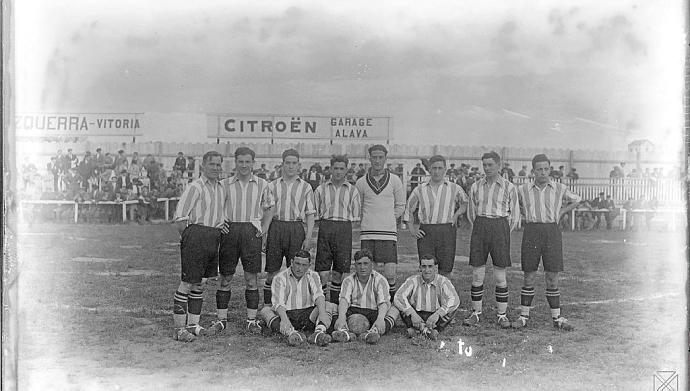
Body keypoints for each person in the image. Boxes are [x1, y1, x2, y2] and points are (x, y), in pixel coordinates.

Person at [208, 147, 275, 335]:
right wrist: (220, 222)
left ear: (253, 163)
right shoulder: (224, 184)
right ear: (235, 162)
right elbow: (214, 206)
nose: (244, 165)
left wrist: (264, 229)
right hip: (230, 231)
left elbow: (269, 209)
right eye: (240, 161)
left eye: (248, 162)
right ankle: (221, 319)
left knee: (251, 279)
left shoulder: (263, 184)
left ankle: (251, 321)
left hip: (251, 231)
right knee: (225, 277)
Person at [513, 154, 581, 331]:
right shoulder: (523, 189)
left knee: (552, 276)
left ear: (549, 169)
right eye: (539, 169)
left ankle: (557, 318)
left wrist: (561, 213)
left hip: (552, 231)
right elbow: (512, 204)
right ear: (533, 171)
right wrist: (523, 213)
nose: (543, 172)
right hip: (532, 231)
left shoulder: (560, 187)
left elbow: (577, 200)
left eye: (546, 169)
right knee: (529, 275)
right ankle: (524, 316)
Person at [170, 151, 225, 342]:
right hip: (195, 236)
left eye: (219, 165)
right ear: (203, 165)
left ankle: (193, 324)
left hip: (212, 237)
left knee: (200, 284)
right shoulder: (195, 187)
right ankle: (179, 329)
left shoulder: (220, 188)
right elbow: (180, 218)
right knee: (187, 283)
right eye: (212, 165)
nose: (216, 168)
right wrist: (190, 239)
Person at [463, 151, 520, 329]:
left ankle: (502, 315)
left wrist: (500, 229)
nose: (487, 168)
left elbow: (515, 215)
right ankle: (476, 313)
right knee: (477, 273)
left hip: (500, 227)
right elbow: (471, 214)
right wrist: (482, 226)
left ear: (498, 165)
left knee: (499, 275)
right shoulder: (475, 186)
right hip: (480, 227)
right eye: (485, 165)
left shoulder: (509, 187)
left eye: (491, 165)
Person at [263, 149, 316, 309]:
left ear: (298, 165)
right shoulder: (272, 185)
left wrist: (308, 237)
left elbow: (310, 214)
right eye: (288, 163)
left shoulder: (306, 187)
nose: (291, 166)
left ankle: (291, 306)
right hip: (276, 227)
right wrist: (265, 235)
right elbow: (267, 212)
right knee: (272, 270)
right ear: (282, 164)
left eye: (294, 163)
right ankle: (268, 306)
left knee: (295, 269)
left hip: (296, 228)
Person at [356, 144, 406, 302]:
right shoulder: (361, 182)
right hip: (368, 232)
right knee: (370, 272)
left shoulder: (395, 180)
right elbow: (359, 206)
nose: (377, 160)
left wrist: (389, 219)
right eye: (374, 157)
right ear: (369, 158)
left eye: (380, 157)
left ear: (385, 158)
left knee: (390, 272)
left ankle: (390, 304)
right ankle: (372, 304)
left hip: (388, 233)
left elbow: (400, 205)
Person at [403, 155, 468, 277]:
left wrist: (456, 215)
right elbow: (408, 210)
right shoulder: (420, 189)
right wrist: (412, 229)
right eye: (434, 168)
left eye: (440, 168)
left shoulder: (454, 188)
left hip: (447, 230)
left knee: (446, 269)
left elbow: (465, 203)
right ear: (429, 169)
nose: (436, 171)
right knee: (426, 269)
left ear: (445, 169)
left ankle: (444, 295)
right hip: (427, 231)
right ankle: (426, 295)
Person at [258, 250, 336, 346]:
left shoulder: (313, 275)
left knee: (327, 305)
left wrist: (323, 313)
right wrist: (284, 319)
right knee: (265, 310)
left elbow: (319, 296)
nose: (300, 268)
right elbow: (278, 303)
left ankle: (318, 333)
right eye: (297, 264)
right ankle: (292, 334)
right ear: (291, 262)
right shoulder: (280, 278)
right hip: (288, 314)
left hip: (307, 315)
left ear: (309, 265)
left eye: (304, 265)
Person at [314, 154, 361, 304]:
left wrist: (344, 232)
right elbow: (315, 213)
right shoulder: (321, 189)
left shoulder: (352, 191)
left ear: (347, 170)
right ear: (330, 169)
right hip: (326, 226)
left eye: (342, 168)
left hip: (344, 228)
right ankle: (321, 305)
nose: (338, 172)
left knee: (339, 272)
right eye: (336, 168)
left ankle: (334, 307)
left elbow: (355, 218)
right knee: (322, 273)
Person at [388, 255, 460, 340]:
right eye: (424, 266)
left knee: (453, 309)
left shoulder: (443, 281)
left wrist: (438, 314)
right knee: (399, 305)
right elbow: (398, 296)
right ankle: (426, 331)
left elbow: (454, 299)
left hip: (435, 315)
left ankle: (431, 330)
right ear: (420, 268)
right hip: (416, 314)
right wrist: (412, 314)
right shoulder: (413, 280)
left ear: (436, 268)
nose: (427, 270)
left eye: (430, 266)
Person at [331, 249, 395, 344]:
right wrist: (341, 317)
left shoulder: (380, 280)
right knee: (330, 306)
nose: (362, 267)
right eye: (359, 264)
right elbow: (344, 300)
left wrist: (380, 319)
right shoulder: (348, 280)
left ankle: (372, 333)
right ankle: (345, 332)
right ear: (355, 265)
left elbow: (383, 302)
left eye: (366, 263)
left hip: (373, 312)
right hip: (354, 310)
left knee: (394, 310)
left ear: (371, 265)